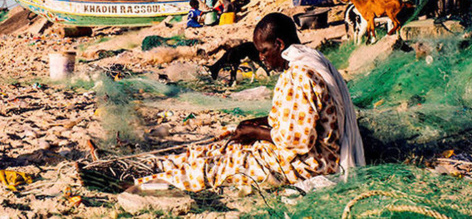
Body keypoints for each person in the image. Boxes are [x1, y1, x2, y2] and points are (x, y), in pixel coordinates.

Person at [135, 12, 365, 192]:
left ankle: (142, 184)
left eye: (264, 51)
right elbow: (295, 118)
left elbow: (299, 140)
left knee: (225, 165)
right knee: (223, 144)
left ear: (279, 44)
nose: (261, 58)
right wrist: (253, 123)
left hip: (311, 163)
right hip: (299, 154)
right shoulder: (305, 63)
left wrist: (256, 133)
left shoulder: (302, 74)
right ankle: (157, 167)